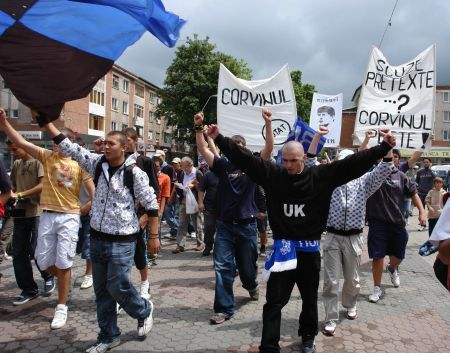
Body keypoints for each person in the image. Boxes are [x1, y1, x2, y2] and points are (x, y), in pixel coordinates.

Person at [197, 112, 396, 353]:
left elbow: (352, 165)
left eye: (294, 161)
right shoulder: (274, 174)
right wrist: (219, 138)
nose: (289, 166)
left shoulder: (321, 176)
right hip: (283, 250)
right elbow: (246, 159)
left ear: (305, 158)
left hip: (309, 251)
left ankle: (308, 337)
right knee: (273, 302)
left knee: (309, 299)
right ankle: (269, 345)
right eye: (286, 161)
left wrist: (383, 147)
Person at [43, 121, 159, 351]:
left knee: (118, 286)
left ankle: (143, 310)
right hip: (97, 237)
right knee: (102, 293)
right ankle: (108, 336)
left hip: (122, 240)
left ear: (124, 147)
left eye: (111, 143)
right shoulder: (96, 164)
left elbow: (151, 204)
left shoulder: (133, 172)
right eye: (104, 143)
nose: (105, 147)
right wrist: (47, 123)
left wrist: (154, 237)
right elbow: (70, 148)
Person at [1, 107, 92, 330]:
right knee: (42, 260)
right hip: (47, 215)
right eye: (53, 142)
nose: (54, 145)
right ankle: (64, 279)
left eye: (58, 142)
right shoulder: (47, 157)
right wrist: (4, 124)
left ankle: (61, 306)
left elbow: (94, 193)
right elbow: (21, 142)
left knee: (62, 261)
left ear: (68, 143)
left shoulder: (80, 165)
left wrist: (82, 211)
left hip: (69, 217)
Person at [306, 130, 395, 336]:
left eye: (350, 163)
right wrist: (317, 138)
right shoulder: (328, 180)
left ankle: (350, 303)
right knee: (330, 280)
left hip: (354, 237)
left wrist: (387, 145)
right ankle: (330, 317)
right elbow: (310, 164)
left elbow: (385, 168)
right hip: (332, 237)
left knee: (352, 279)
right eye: (342, 163)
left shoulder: (364, 181)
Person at [195, 109, 275, 327]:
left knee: (248, 270)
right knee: (222, 267)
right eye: (233, 147)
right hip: (225, 227)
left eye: (240, 148)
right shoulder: (222, 166)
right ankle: (223, 309)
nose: (237, 151)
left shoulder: (254, 166)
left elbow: (269, 148)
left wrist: (268, 122)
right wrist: (198, 128)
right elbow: (202, 148)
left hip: (247, 227)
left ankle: (252, 286)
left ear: (246, 150)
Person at [366, 153, 426, 303]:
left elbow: (414, 193)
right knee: (377, 256)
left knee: (399, 256)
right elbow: (364, 152)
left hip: (397, 223)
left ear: (396, 159)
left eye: (394, 156)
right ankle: (376, 288)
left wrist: (422, 212)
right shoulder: (372, 175)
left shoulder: (401, 176)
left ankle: (392, 268)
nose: (390, 158)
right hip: (377, 222)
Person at [7, 140, 56, 304]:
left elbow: (43, 185)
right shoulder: (16, 164)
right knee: (18, 252)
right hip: (20, 212)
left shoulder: (38, 161)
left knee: (36, 249)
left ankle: (48, 276)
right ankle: (29, 289)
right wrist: (13, 196)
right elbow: (12, 186)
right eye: (11, 150)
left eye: (15, 149)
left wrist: (21, 194)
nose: (13, 152)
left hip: (38, 211)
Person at [123, 127, 160, 300]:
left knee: (139, 250)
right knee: (121, 256)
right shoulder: (115, 161)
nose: (125, 143)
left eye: (128, 140)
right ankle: (122, 289)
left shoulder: (144, 161)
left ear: (135, 141)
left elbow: (153, 190)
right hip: (119, 216)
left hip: (138, 215)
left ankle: (145, 282)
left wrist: (146, 215)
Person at [73, 137, 95, 290]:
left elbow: (98, 191)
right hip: (73, 212)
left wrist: (88, 204)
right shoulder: (66, 166)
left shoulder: (90, 167)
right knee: (78, 245)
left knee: (88, 244)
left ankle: (90, 274)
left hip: (88, 212)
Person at [171, 156, 204, 253]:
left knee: (197, 222)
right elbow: (179, 182)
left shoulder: (197, 173)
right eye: (182, 166)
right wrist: (179, 188)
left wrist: (194, 185)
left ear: (190, 165)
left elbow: (203, 186)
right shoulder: (181, 173)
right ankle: (180, 245)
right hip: (184, 199)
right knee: (182, 223)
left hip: (194, 200)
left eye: (185, 166)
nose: (184, 169)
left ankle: (200, 243)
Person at [150, 156, 171, 263]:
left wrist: (161, 211)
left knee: (156, 231)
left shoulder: (165, 178)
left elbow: (164, 195)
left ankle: (154, 255)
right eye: (153, 166)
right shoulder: (146, 175)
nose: (156, 168)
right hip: (145, 207)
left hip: (157, 208)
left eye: (157, 166)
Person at [419, 176, 446, 256]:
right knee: (431, 231)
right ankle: (431, 245)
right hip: (432, 215)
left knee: (439, 231)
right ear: (434, 184)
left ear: (442, 184)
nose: (438, 184)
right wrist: (429, 207)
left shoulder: (444, 192)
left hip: (441, 216)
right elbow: (427, 201)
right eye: (436, 183)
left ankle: (437, 246)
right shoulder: (431, 192)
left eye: (439, 183)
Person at [197, 163, 219, 256]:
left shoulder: (226, 173)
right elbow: (201, 189)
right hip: (210, 206)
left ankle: (220, 248)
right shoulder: (208, 175)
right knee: (209, 227)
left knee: (222, 229)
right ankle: (208, 245)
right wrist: (200, 203)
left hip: (225, 207)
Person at [416, 157, 436, 230]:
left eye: (427, 162)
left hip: (430, 194)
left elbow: (436, 180)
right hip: (421, 193)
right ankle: (422, 225)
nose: (426, 163)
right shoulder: (419, 172)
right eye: (424, 162)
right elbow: (417, 181)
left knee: (430, 210)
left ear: (430, 163)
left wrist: (430, 170)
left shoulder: (432, 172)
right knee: (421, 210)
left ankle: (432, 224)